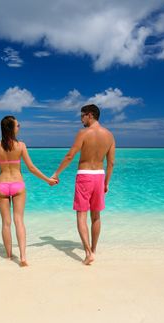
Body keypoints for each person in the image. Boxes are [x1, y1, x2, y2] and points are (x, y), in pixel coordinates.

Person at [52, 104, 115, 265]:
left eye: (82, 116)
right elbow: (111, 163)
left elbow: (70, 155)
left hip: (85, 176)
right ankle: (93, 249)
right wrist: (106, 182)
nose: (81, 119)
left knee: (81, 215)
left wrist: (57, 173)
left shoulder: (83, 133)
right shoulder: (109, 135)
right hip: (100, 176)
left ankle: (88, 253)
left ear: (90, 115)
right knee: (96, 216)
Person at [0, 115, 57, 267]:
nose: (19, 127)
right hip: (18, 185)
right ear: (11, 128)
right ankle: (22, 257)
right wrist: (48, 180)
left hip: (2, 185)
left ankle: (8, 256)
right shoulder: (21, 146)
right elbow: (31, 168)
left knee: (6, 223)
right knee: (19, 221)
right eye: (17, 125)